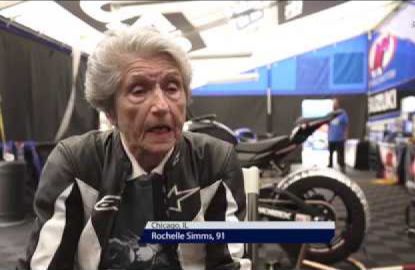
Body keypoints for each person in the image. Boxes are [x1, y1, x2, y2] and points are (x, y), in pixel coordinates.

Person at [19, 27, 250, 270]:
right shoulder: (77, 164)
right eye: (139, 90)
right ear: (110, 111)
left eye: (172, 87)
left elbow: (227, 263)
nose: (161, 106)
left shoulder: (214, 162)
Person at [327, 99, 349, 173]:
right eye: (333, 104)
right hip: (331, 138)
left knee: (341, 154)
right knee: (330, 153)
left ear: (338, 104)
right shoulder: (331, 114)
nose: (334, 105)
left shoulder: (342, 113)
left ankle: (342, 166)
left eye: (335, 103)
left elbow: (346, 125)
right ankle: (330, 165)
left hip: (339, 138)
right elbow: (327, 124)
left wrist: (345, 135)